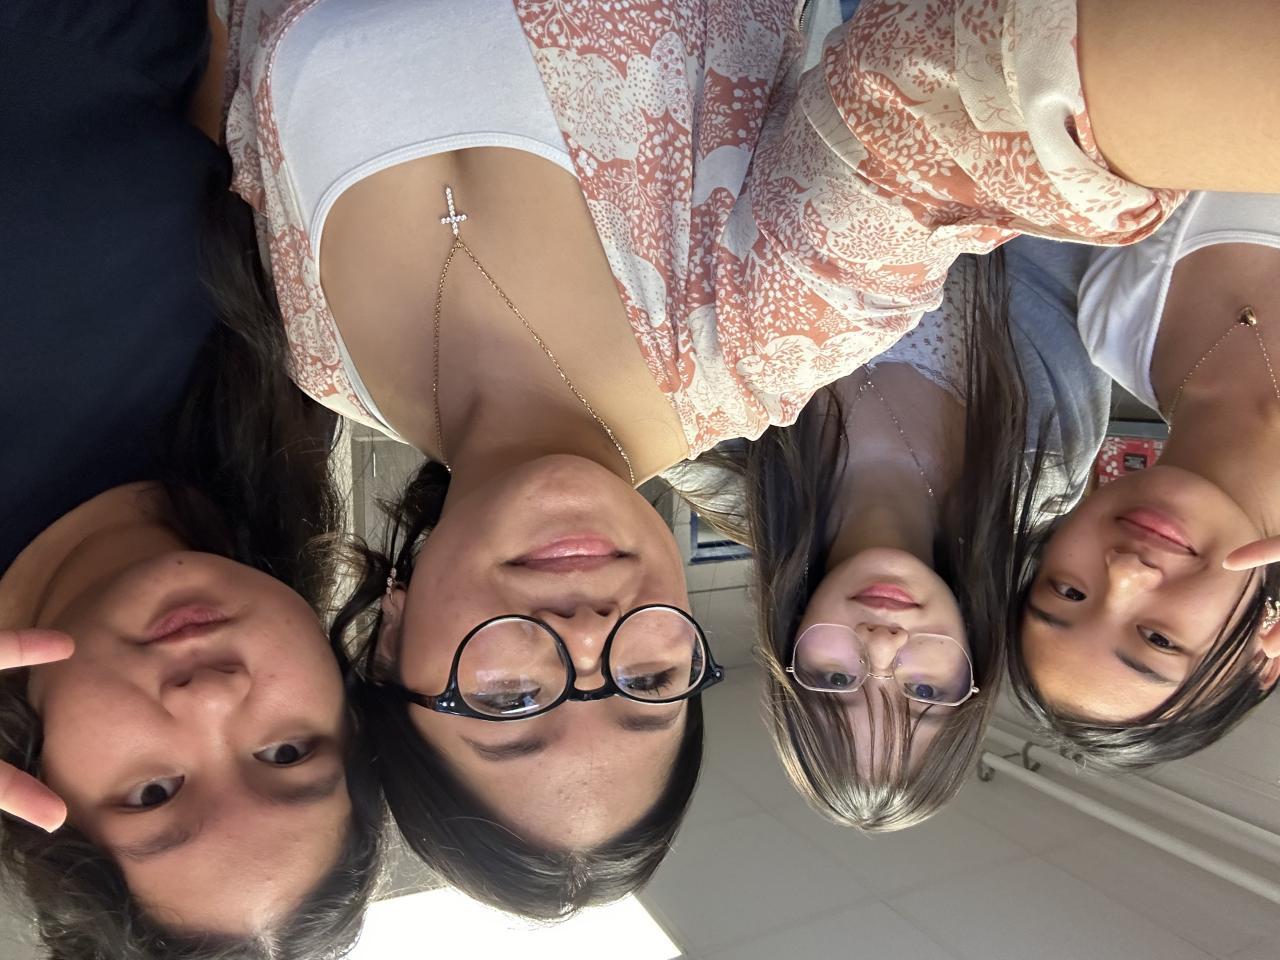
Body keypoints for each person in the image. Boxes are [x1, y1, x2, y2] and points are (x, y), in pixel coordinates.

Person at [218, 0, 1274, 911]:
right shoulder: (763, 343)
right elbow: (973, 99)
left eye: (509, 702)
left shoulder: (317, 360)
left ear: (385, 647)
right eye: (643, 682)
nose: (585, 638)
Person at [0, 2, 381, 954]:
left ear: (38, 791)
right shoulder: (285, 404)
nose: (211, 698)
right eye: (288, 751)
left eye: (154, 793)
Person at [675, 238, 1107, 829]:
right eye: (924, 692)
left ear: (789, 655)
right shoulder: (1043, 469)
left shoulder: (709, 457)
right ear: (974, 674)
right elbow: (1072, 245)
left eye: (836, 680)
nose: (881, 643)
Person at [1011, 191, 1280, 771]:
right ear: (1264, 657)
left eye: (1068, 592)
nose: (1126, 573)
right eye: (1159, 639)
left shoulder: (1114, 323)